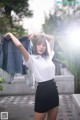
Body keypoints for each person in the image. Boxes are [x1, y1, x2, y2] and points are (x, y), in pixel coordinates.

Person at [5, 32, 59, 120]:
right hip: (42, 93)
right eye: (39, 44)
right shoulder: (31, 59)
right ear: (35, 46)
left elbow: (52, 38)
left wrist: (37, 34)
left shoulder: (48, 56)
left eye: (44, 45)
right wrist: (10, 35)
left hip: (54, 92)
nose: (41, 47)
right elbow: (19, 46)